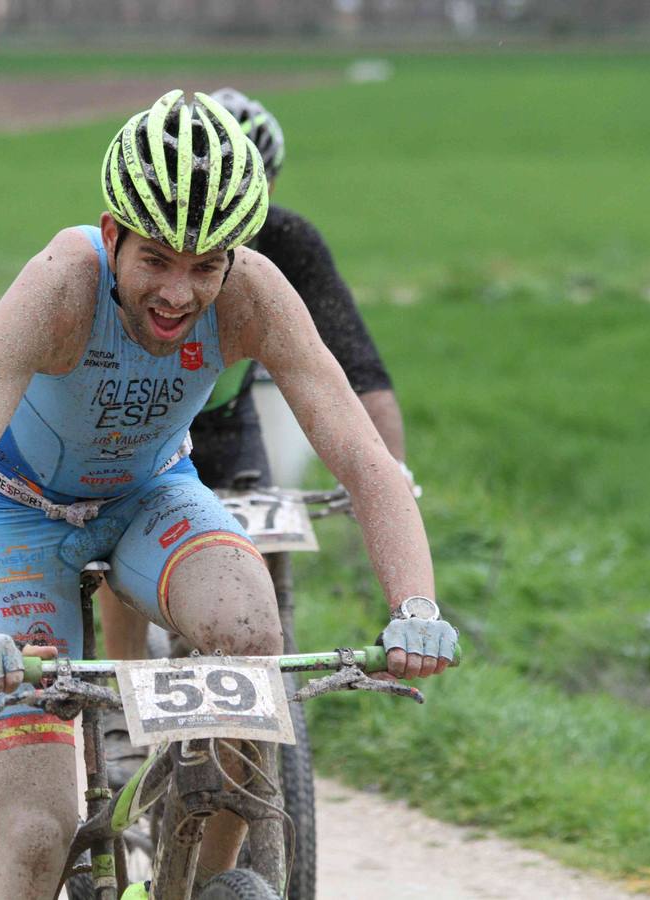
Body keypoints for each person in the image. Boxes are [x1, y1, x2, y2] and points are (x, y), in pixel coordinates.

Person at [0, 90, 458, 897]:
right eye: (155, 259)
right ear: (113, 235)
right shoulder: (62, 285)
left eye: (205, 266)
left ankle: (197, 881)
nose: (179, 294)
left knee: (252, 634)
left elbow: (367, 462)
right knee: (35, 835)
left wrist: (416, 609)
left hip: (148, 494)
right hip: (11, 511)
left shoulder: (252, 293)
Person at [97, 86, 413, 772]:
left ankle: (246, 737)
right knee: (121, 530)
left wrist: (393, 473)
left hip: (229, 427)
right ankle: (124, 706)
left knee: (257, 570)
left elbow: (358, 365)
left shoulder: (286, 247)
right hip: (145, 431)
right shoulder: (143, 252)